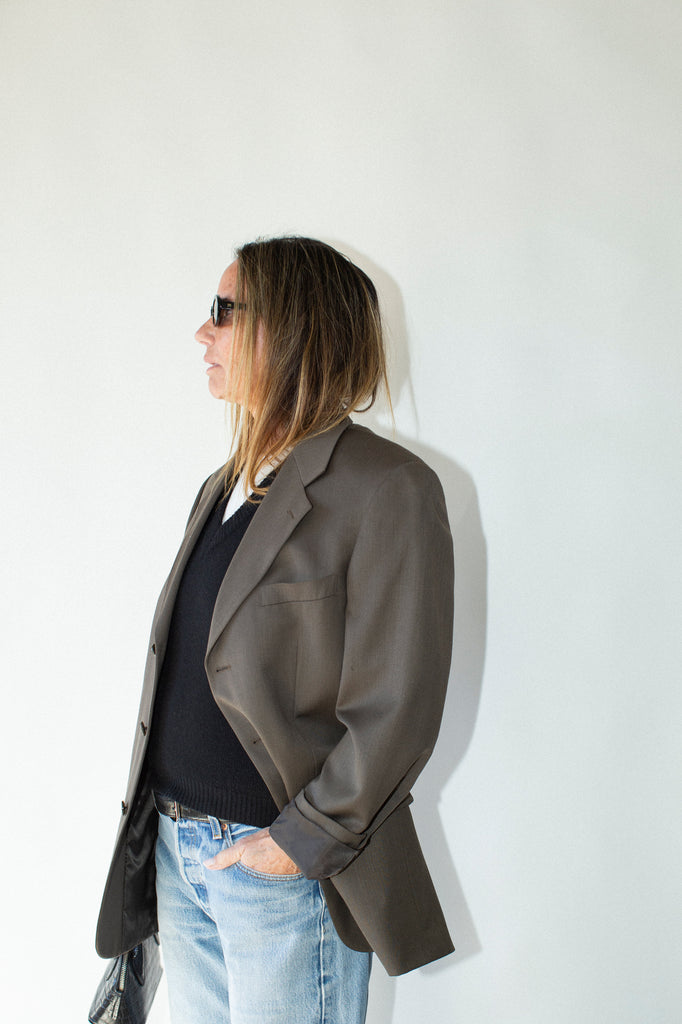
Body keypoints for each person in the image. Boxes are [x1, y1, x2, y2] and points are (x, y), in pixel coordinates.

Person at [94, 236, 455, 1024]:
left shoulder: (388, 488)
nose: (203, 334)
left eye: (224, 312)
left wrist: (299, 843)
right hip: (180, 856)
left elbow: (400, 703)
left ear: (293, 330)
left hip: (278, 867)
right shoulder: (224, 486)